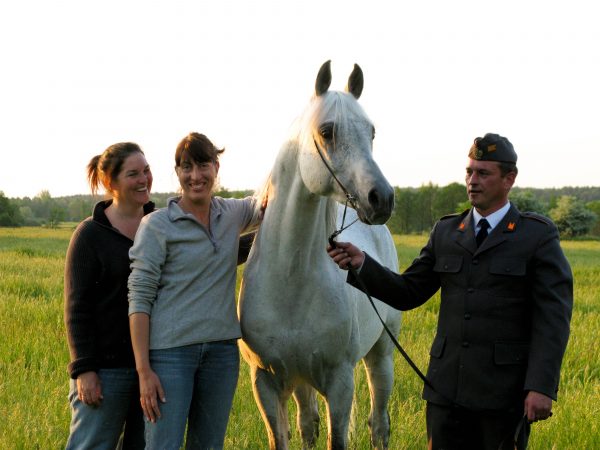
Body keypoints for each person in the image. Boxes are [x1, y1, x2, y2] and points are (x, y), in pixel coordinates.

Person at [328, 133, 573, 450]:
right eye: (469, 172)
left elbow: (553, 320)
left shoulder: (535, 236)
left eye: (483, 173)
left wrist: (541, 386)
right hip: (445, 394)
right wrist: (362, 264)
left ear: (509, 178)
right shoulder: (446, 231)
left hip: (503, 398)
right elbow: (408, 291)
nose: (472, 181)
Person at [128, 132, 263, 449]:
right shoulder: (158, 225)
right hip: (170, 356)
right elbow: (139, 300)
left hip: (221, 354)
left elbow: (274, 204)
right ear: (177, 172)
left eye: (203, 165)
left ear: (216, 167)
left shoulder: (232, 213)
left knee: (209, 445)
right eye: (186, 167)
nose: (195, 176)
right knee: (164, 445)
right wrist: (144, 371)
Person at [64, 142, 153, 449]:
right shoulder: (89, 235)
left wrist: (266, 235)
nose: (144, 179)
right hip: (106, 372)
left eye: (146, 170)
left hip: (153, 368)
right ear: (110, 183)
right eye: (133, 174)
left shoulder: (160, 226)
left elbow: (206, 256)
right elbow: (77, 309)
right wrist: (84, 370)